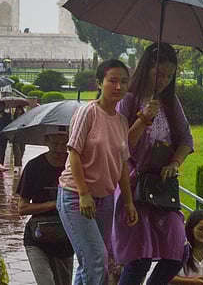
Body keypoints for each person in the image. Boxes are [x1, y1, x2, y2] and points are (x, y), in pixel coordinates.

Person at [113, 43, 193, 285]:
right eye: (159, 74)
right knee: (139, 258)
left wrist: (175, 163)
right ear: (146, 68)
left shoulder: (170, 103)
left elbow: (186, 139)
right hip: (134, 185)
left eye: (169, 76)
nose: (163, 81)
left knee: (178, 251)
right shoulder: (127, 101)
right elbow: (121, 146)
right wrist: (144, 118)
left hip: (161, 187)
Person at [57, 59, 138, 285]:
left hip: (105, 199)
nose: (118, 87)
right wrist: (83, 193)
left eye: (123, 81)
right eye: (112, 81)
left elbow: (121, 164)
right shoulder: (88, 113)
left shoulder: (121, 121)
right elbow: (73, 153)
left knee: (90, 263)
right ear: (99, 83)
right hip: (76, 196)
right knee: (96, 260)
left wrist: (129, 202)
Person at [17, 128, 74, 285]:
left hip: (65, 238)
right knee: (46, 282)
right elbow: (22, 208)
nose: (59, 149)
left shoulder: (75, 166)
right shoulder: (34, 167)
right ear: (46, 142)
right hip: (37, 237)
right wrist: (53, 205)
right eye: (54, 143)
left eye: (64, 144)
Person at [170, 211, 203, 285]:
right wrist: (192, 282)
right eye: (201, 229)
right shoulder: (178, 250)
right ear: (191, 229)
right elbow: (166, 277)